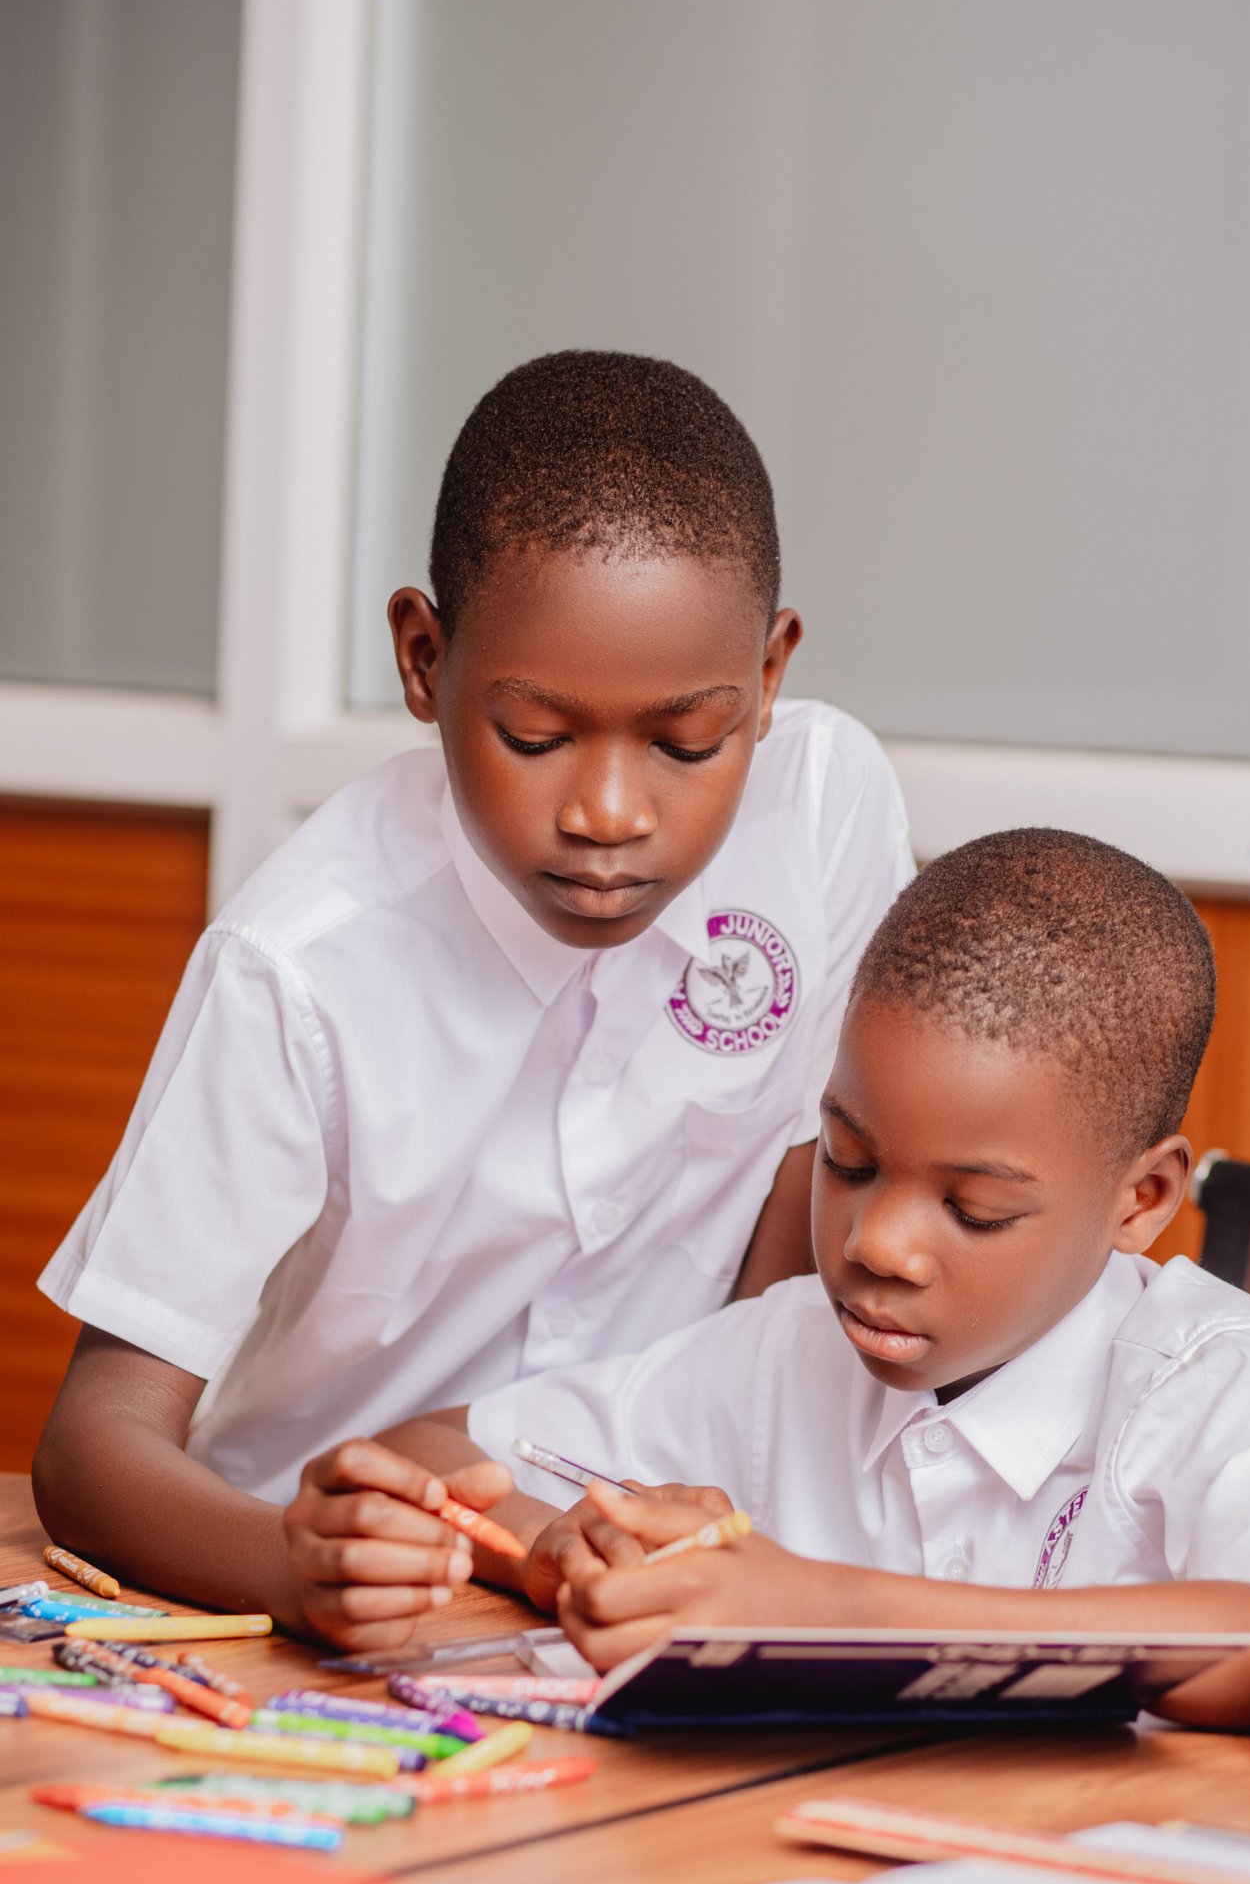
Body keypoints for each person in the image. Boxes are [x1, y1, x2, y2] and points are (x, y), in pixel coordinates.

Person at [31, 350, 913, 1629]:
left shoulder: (825, 808)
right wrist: (295, 1562)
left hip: (642, 1579)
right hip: (332, 1585)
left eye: (686, 744)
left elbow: (784, 1250)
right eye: (537, 737)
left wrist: (693, 1530)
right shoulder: (302, 966)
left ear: (768, 678)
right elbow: (92, 1448)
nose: (610, 813)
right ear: (423, 657)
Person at [290, 829, 1250, 1726]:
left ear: (1143, 1200)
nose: (875, 1244)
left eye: (973, 1209)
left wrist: (817, 1607)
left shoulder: (1213, 1384)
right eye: (848, 1160)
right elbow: (421, 1452)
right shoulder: (785, 1347)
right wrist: (552, 1550)